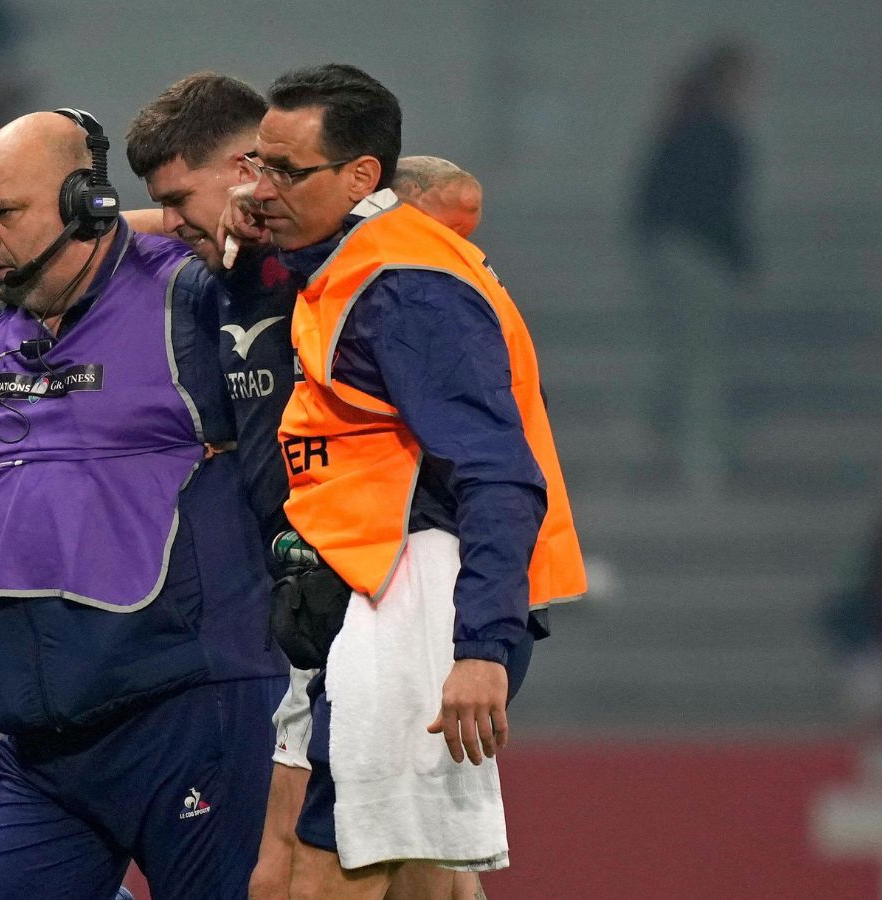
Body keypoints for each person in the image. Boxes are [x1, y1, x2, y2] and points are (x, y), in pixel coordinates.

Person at [212, 64, 585, 898]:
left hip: (423, 591)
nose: (260, 187)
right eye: (256, 164)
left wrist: (481, 648)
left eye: (284, 170)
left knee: (331, 864)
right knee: (419, 875)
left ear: (360, 178)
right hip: (371, 587)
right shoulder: (352, 253)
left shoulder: (407, 291)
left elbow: (498, 471)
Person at [126, 71, 501, 900]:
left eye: (184, 196)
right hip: (306, 585)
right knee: (408, 862)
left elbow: (451, 191)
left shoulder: (352, 262)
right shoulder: (217, 276)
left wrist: (486, 642)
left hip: (382, 573)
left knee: (316, 858)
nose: (174, 219)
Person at [0, 108, 287, 898]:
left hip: (192, 713)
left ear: (88, 203)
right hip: (41, 746)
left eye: (6, 212)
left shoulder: (191, 303)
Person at [630, 39, 757, 493]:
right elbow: (723, 207)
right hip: (699, 257)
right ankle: (699, 460)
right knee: (701, 361)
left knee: (685, 356)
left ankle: (669, 438)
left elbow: (646, 199)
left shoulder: (681, 127)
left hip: (675, 252)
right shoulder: (715, 133)